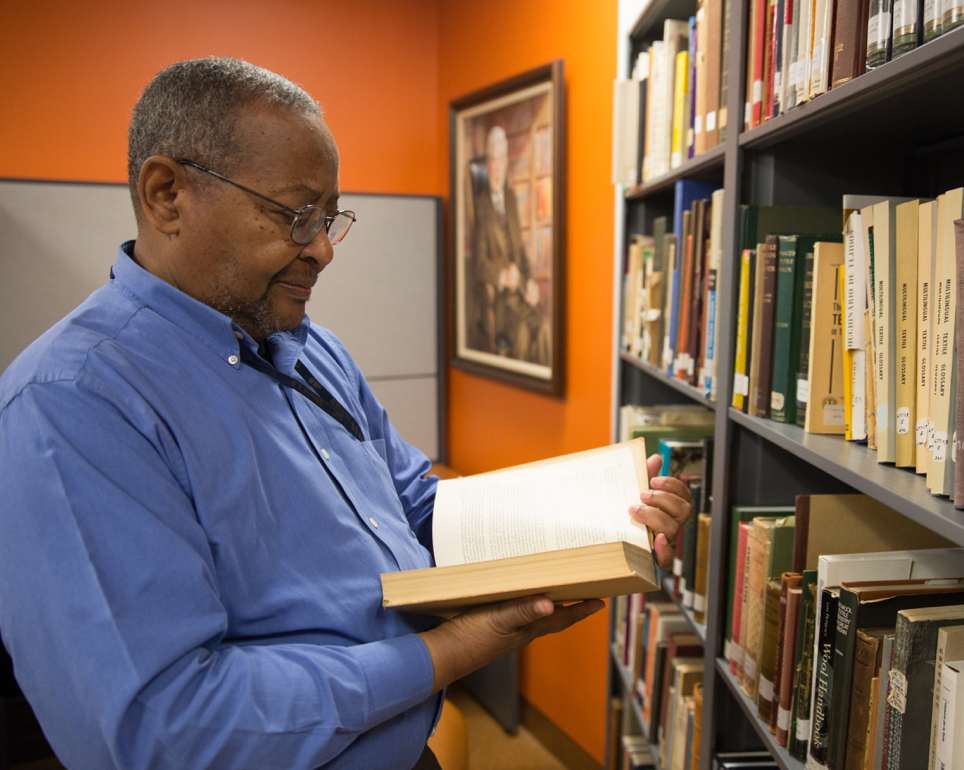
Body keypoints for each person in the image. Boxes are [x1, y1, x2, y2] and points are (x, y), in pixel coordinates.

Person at [0, 58, 692, 770]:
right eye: (296, 215)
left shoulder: (310, 348)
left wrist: (598, 527)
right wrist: (453, 650)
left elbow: (413, 504)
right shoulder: (71, 406)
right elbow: (170, 727)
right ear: (166, 195)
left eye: (330, 218)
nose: (324, 249)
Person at [470, 125, 551, 365]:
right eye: (493, 160)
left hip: (522, 297)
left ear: (506, 163)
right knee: (523, 334)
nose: (497, 167)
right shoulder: (482, 207)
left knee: (545, 328)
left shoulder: (511, 200)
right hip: (501, 304)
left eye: (501, 160)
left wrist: (531, 283)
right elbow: (479, 265)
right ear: (488, 165)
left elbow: (522, 257)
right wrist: (504, 275)